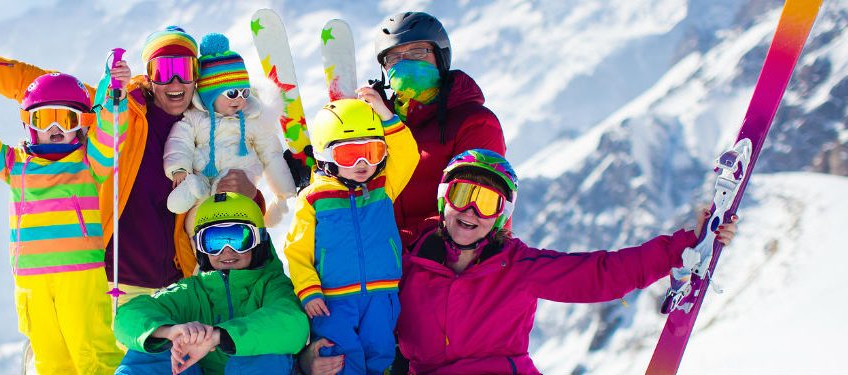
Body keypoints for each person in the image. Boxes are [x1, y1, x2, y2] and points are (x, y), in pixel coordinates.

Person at [0, 20, 261, 302]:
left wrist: (253, 193)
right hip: (113, 280)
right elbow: (31, 83)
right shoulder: (116, 108)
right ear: (150, 74)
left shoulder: (214, 129)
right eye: (163, 69)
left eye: (184, 70)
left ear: (197, 77)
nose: (174, 81)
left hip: (179, 282)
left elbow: (235, 192)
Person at [395, 149, 738, 374]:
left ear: (501, 217)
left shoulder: (517, 266)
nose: (472, 211)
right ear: (444, 201)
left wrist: (686, 244)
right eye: (462, 195)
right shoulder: (408, 268)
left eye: (487, 202)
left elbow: (602, 274)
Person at [0, 75, 124, 374]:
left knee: (92, 350)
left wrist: (117, 100)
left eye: (66, 118)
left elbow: (110, 135)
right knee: (50, 358)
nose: (55, 128)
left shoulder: (89, 163)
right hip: (32, 281)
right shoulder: (16, 165)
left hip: (79, 276)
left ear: (81, 124)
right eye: (44, 118)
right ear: (29, 123)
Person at [283, 95, 418, 375]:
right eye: (348, 154)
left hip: (381, 295)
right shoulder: (314, 198)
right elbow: (297, 250)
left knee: (381, 353)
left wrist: (385, 115)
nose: (362, 163)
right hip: (332, 301)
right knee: (340, 360)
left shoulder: (384, 187)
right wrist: (308, 290)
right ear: (326, 156)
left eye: (372, 152)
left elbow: (408, 155)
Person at [114, 192, 308, 375]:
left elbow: (293, 323)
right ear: (201, 249)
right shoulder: (193, 292)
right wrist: (169, 332)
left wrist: (218, 336)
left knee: (266, 349)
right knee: (152, 348)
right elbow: (128, 315)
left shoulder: (272, 286)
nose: (226, 250)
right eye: (214, 241)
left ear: (258, 241)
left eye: (238, 238)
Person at [371, 12, 508, 248]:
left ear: (440, 57)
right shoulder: (376, 123)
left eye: (417, 52)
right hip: (389, 268)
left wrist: (400, 245)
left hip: (453, 265)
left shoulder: (475, 123)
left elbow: (475, 213)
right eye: (393, 57)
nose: (404, 63)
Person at [164, 33, 295, 231]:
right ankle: (192, 191)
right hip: (205, 180)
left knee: (234, 217)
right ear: (210, 95)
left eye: (244, 92)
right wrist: (178, 168)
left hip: (239, 182)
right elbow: (179, 141)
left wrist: (284, 191)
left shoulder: (253, 119)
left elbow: (272, 155)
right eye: (232, 93)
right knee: (197, 219)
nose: (239, 99)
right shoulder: (195, 118)